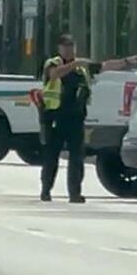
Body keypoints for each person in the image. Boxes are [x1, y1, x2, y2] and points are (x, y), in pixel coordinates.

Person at [39, 34, 91, 203]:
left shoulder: (80, 69)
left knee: (77, 158)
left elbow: (102, 66)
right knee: (51, 156)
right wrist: (75, 63)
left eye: (71, 46)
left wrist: (126, 62)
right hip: (56, 117)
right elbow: (54, 75)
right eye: (65, 46)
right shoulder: (54, 63)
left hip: (76, 119)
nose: (68, 49)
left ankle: (75, 193)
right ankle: (46, 190)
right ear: (59, 48)